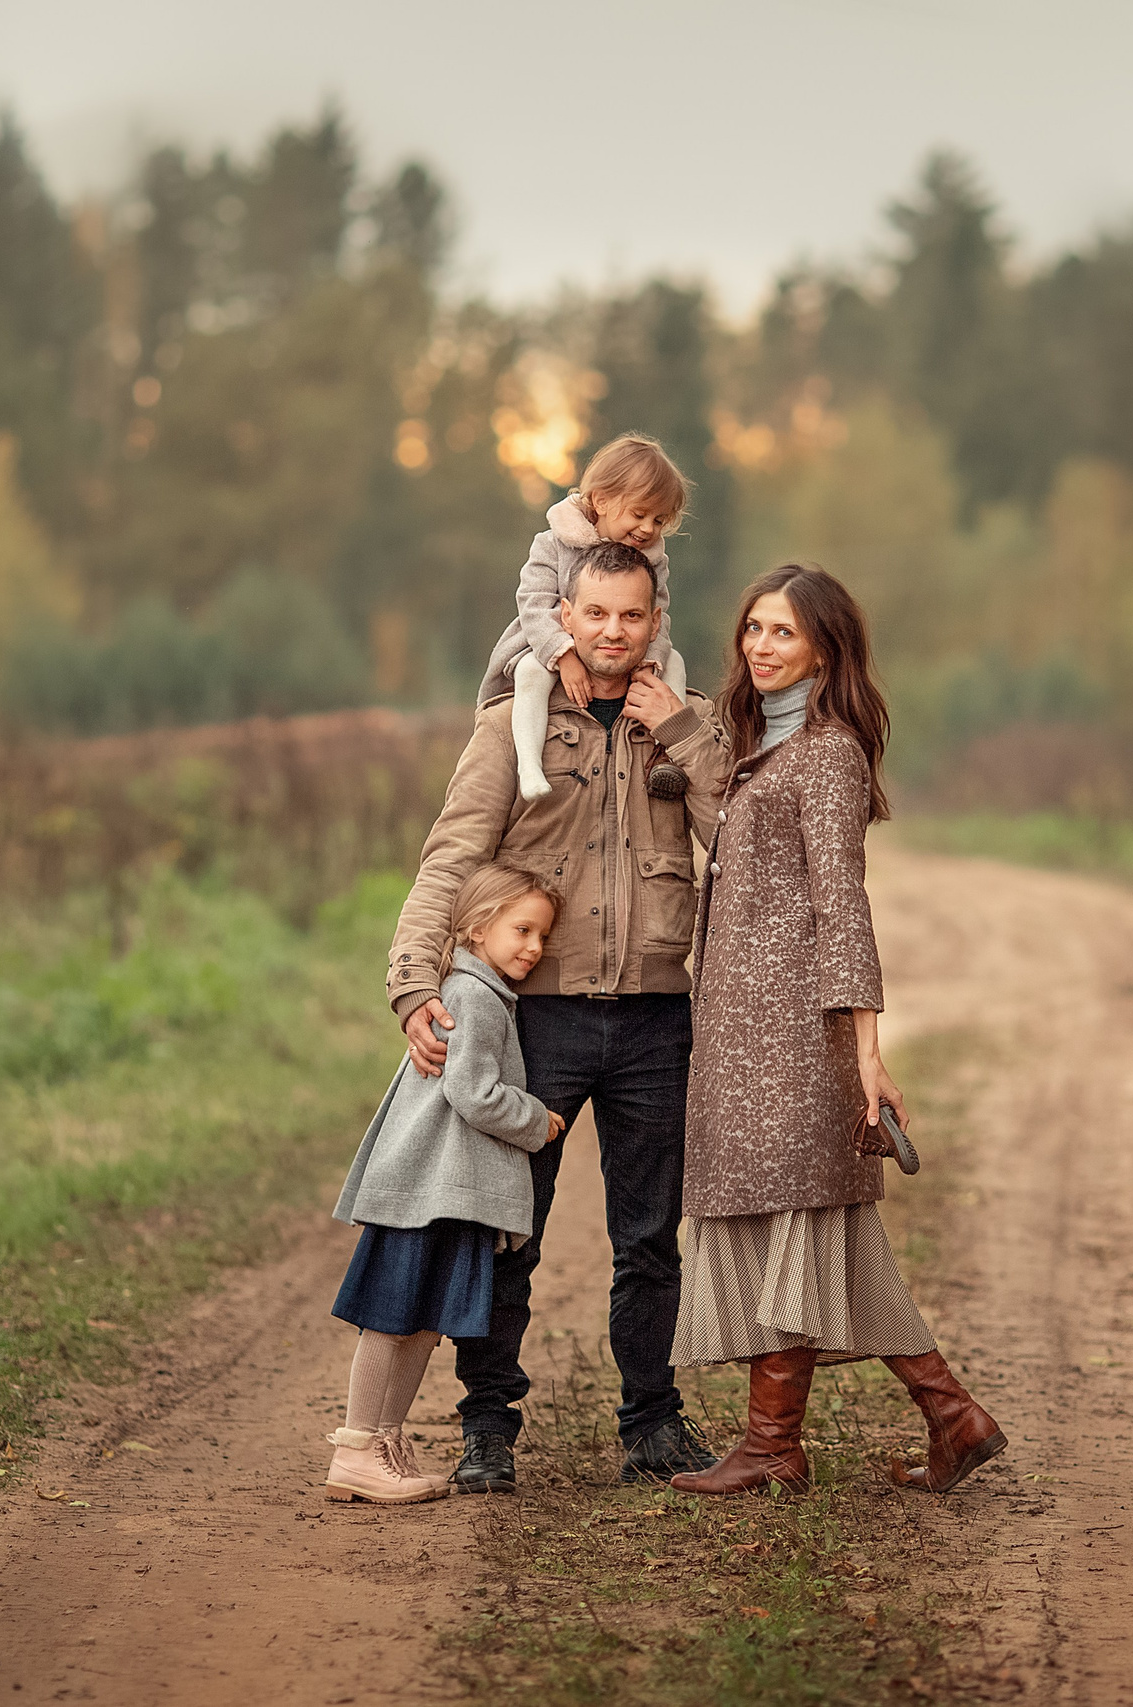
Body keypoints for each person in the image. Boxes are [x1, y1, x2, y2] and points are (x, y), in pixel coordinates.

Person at [390, 540, 728, 1493]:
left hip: (659, 1016)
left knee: (650, 1237)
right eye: (597, 614)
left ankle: (652, 1425)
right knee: (507, 1230)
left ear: (656, 620)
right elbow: (452, 855)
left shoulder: (689, 722)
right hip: (534, 1019)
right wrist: (416, 980)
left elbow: (743, 839)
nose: (614, 633)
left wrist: (690, 739)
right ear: (566, 616)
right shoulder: (515, 722)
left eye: (633, 615)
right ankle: (487, 1429)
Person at [668, 562, 1007, 1497]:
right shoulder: (760, 747)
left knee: (798, 1228)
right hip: (740, 1034)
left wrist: (866, 1051)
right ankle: (949, 1415)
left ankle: (778, 1446)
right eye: (753, 629)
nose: (760, 646)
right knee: (815, 1237)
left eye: (783, 632)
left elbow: (841, 905)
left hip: (793, 1036)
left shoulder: (826, 753)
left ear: (825, 646)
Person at [325, 864, 568, 1504]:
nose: (533, 948)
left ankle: (384, 1439)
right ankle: (357, 1448)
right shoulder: (472, 996)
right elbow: (472, 1092)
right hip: (430, 1188)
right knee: (392, 1317)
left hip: (447, 1191)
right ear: (477, 927)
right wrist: (535, 1120)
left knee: (423, 1321)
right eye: (521, 930)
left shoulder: (482, 990)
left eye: (542, 935)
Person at [478, 434, 691, 803]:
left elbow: (659, 616)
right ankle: (528, 765)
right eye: (638, 514)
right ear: (602, 500)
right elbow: (532, 602)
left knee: (675, 662)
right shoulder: (553, 542)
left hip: (621, 648)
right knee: (531, 671)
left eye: (658, 520)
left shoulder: (653, 559)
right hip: (545, 640)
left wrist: (649, 662)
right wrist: (563, 655)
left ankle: (666, 755)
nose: (647, 529)